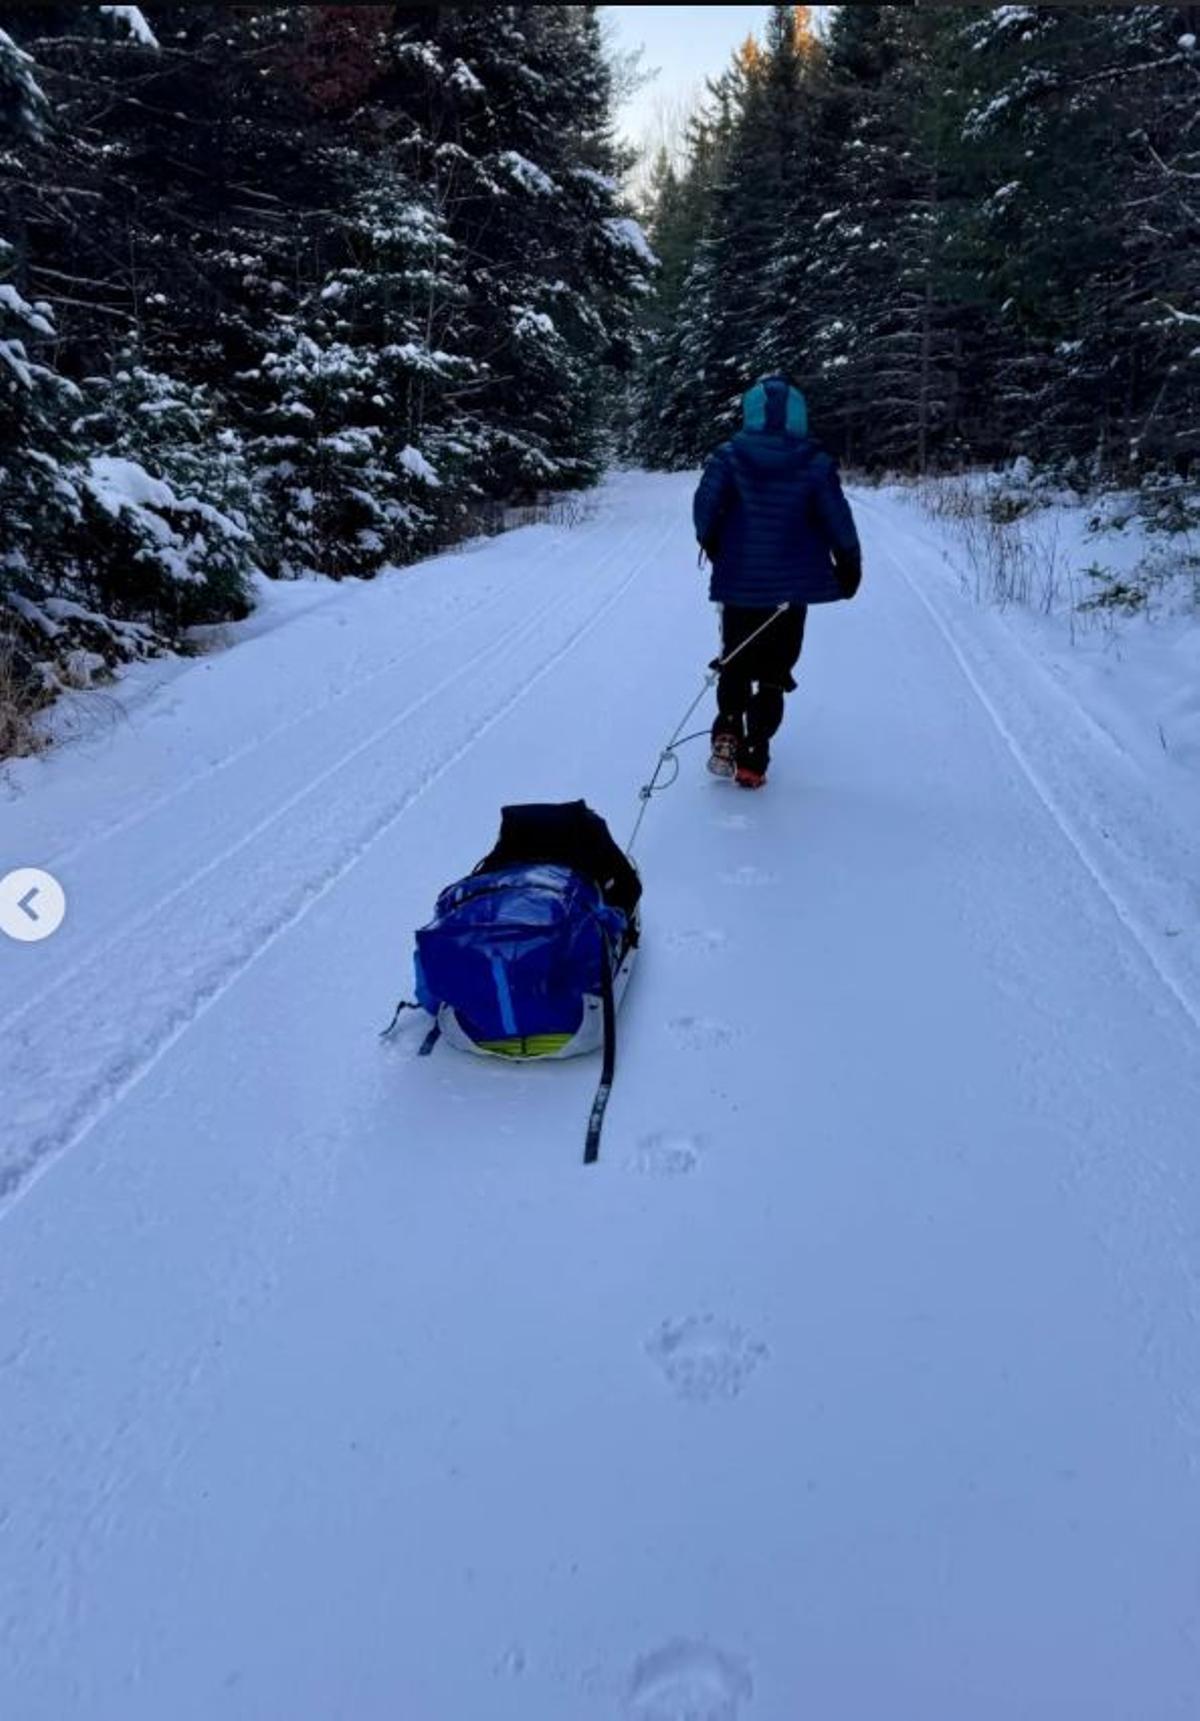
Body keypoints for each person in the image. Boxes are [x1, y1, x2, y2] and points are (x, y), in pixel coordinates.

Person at [692, 374, 862, 788]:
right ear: (798, 415)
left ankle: (727, 726)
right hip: (791, 589)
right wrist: (849, 562)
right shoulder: (815, 462)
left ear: (750, 413)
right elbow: (836, 516)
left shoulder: (728, 456)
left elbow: (704, 508)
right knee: (773, 672)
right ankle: (755, 755)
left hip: (738, 583)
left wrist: (713, 543)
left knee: (735, 659)